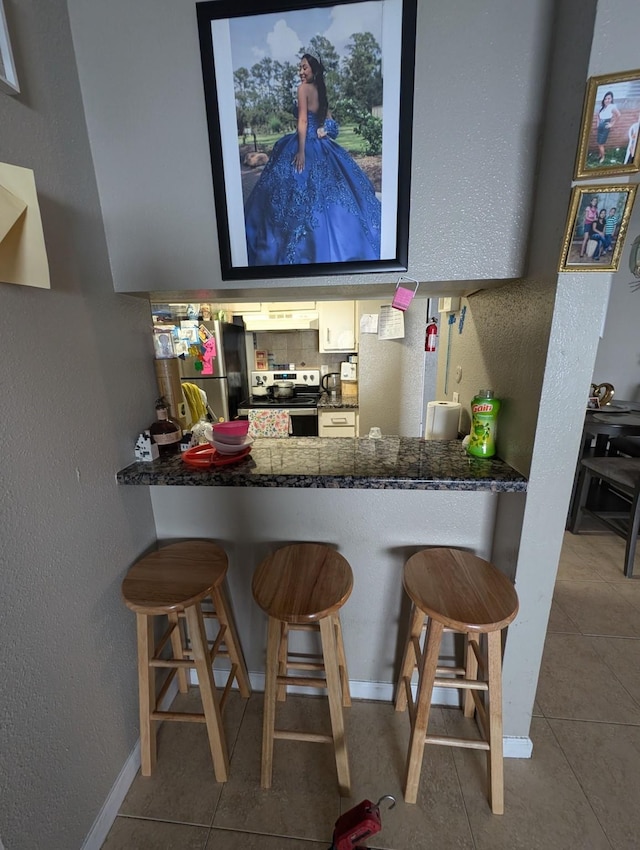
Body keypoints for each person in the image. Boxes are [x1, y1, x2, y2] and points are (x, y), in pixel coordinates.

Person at [244, 54, 381, 265]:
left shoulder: (303, 89)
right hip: (322, 146)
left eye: (304, 68)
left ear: (313, 70)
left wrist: (300, 151)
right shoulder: (321, 91)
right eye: (300, 68)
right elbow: (332, 125)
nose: (301, 72)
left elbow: (302, 121)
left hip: (304, 144)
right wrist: (324, 132)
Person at [594, 90, 620, 163]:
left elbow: (618, 115)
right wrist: (598, 123)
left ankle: (603, 157)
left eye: (609, 98)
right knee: (599, 143)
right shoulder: (602, 107)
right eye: (605, 99)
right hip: (600, 128)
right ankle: (600, 154)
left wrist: (611, 124)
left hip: (605, 128)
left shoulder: (612, 107)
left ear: (611, 99)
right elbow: (598, 116)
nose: (607, 100)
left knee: (600, 144)